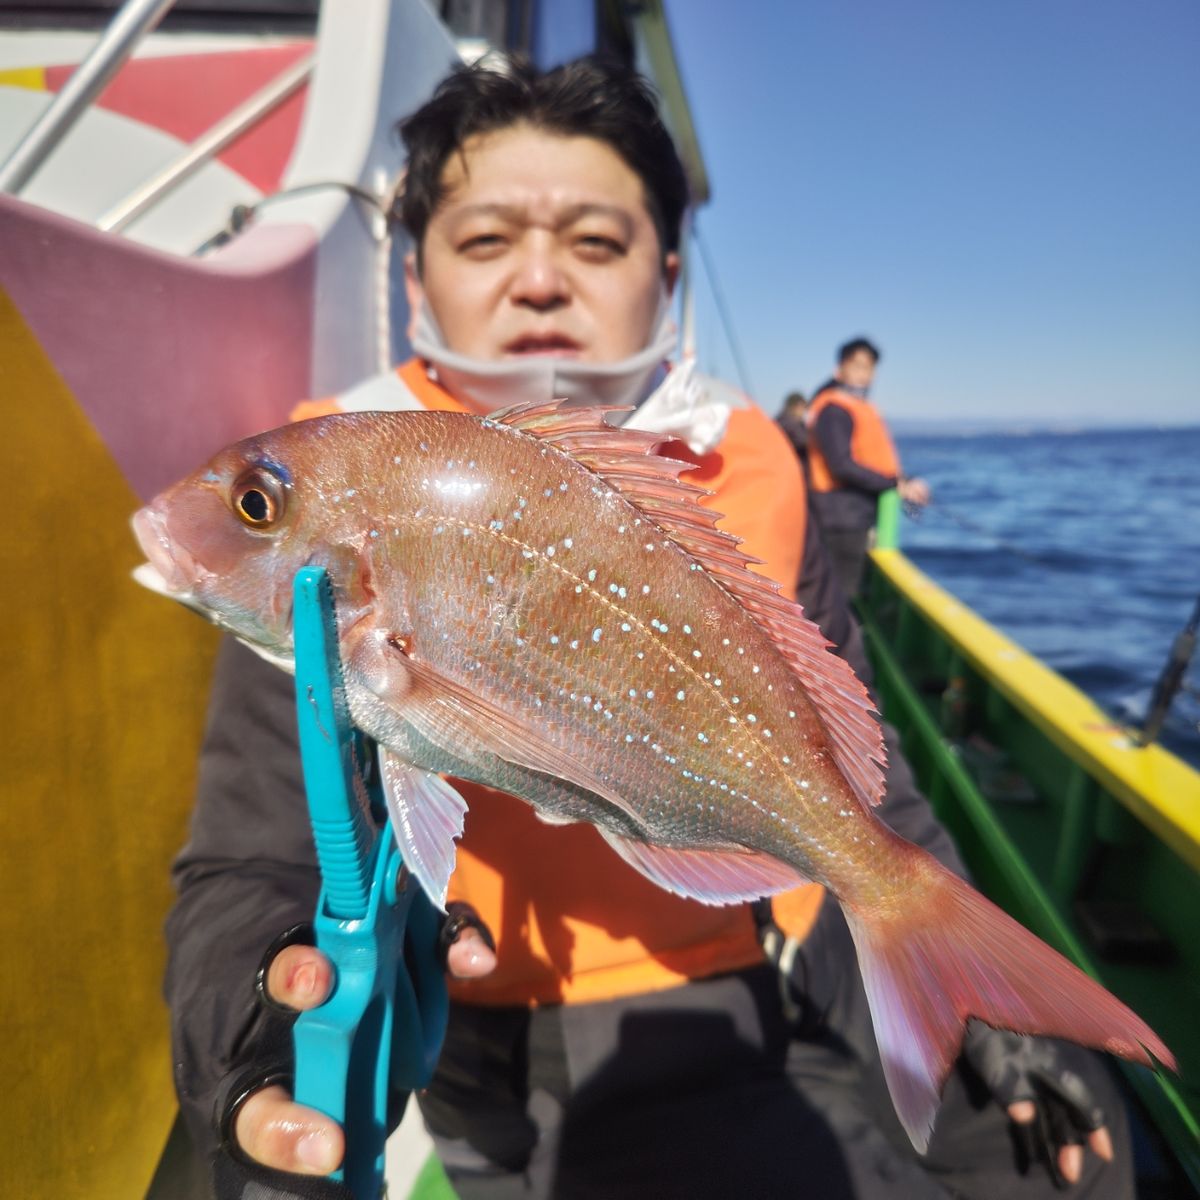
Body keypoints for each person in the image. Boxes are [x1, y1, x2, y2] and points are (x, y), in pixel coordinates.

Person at [164, 57, 1132, 1200]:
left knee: (1073, 1155)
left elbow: (858, 785)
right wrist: (261, 1002)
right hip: (488, 1021)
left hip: (760, 956)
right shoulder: (334, 478)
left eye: (595, 241)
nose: (538, 281)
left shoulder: (753, 461)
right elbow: (250, 847)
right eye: (483, 242)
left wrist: (983, 1005)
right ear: (416, 281)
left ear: (667, 274)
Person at [806, 337, 930, 598]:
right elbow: (840, 465)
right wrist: (895, 484)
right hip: (839, 518)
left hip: (857, 515)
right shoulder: (833, 410)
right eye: (857, 366)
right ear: (839, 369)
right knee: (839, 595)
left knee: (847, 592)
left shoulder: (858, 408)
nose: (863, 374)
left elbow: (873, 460)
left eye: (869, 368)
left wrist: (906, 481)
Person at [777, 389, 809, 464]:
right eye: (803, 408)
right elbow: (805, 441)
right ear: (797, 406)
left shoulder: (780, 421)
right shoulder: (789, 424)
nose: (804, 412)